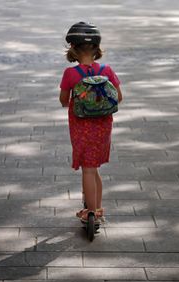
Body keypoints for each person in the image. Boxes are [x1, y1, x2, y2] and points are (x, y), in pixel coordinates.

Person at [59, 22, 122, 222]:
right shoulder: (106, 70)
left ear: (73, 49)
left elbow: (63, 101)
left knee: (87, 168)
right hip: (103, 127)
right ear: (97, 49)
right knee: (93, 168)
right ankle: (97, 207)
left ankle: (91, 212)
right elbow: (118, 97)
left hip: (81, 127)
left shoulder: (70, 74)